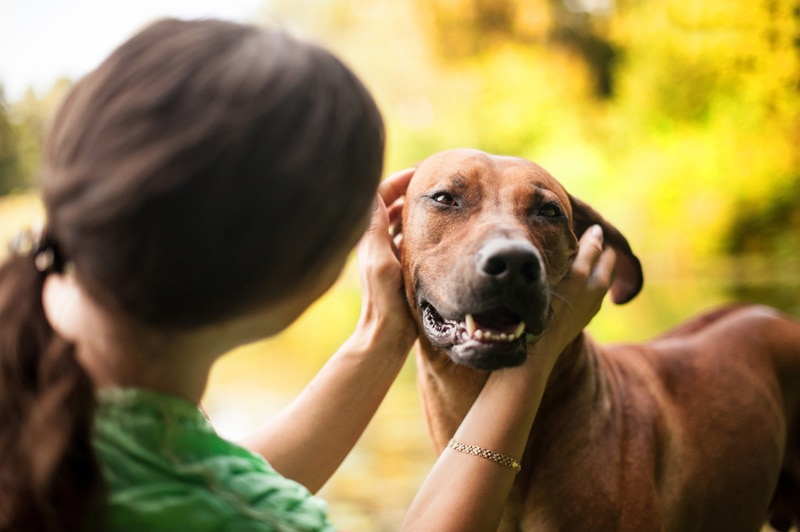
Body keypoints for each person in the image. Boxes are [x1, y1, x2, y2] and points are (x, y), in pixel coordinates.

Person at [0, 18, 616, 532]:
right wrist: (534, 356)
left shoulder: (82, 408)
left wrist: (384, 332)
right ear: (296, 274)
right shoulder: (248, 517)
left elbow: (228, 474)